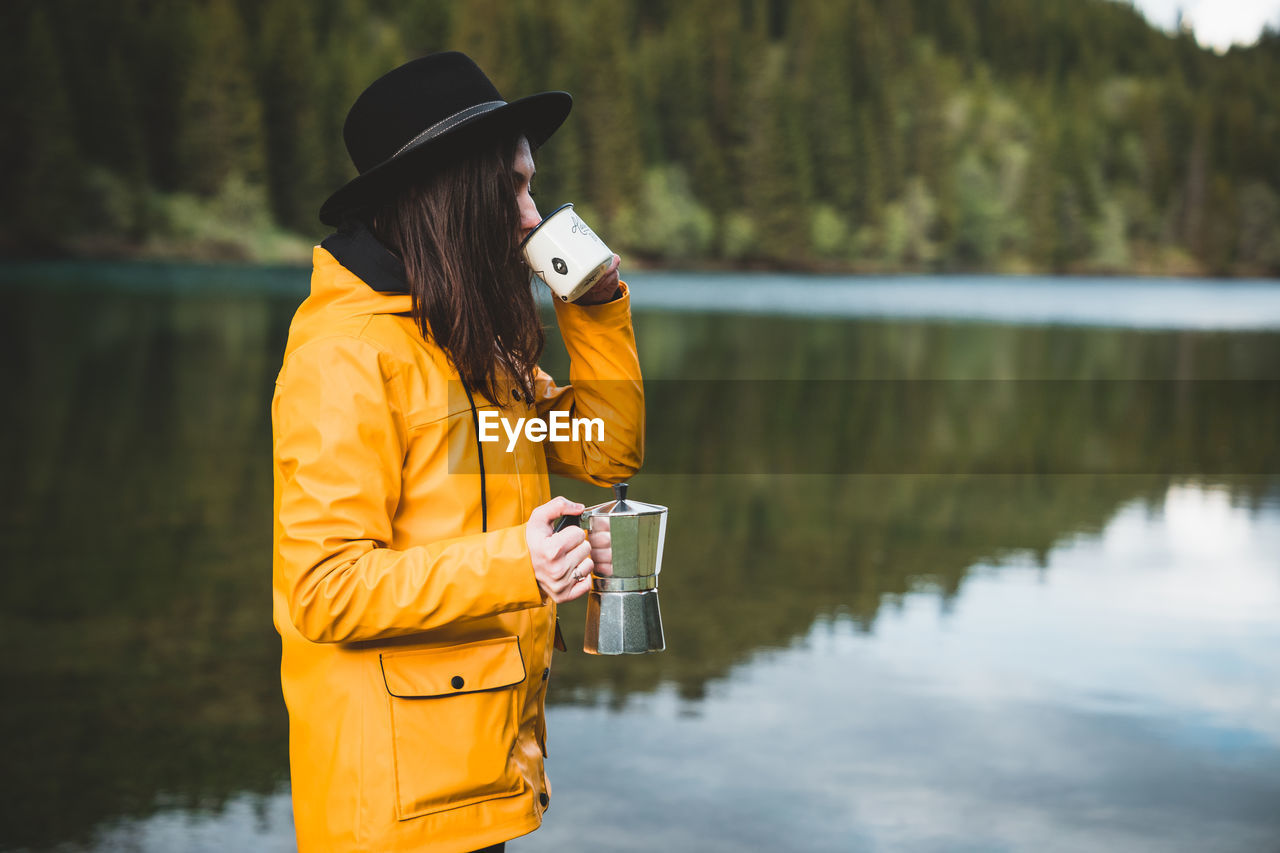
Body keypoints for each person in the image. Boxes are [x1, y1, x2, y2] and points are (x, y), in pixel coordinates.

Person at [271, 52, 644, 853]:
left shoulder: (472, 345)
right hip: (391, 817)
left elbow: (605, 449)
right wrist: (521, 563)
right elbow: (323, 590)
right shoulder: (347, 356)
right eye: (513, 187)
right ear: (453, 193)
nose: (529, 216)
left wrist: (597, 308)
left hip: (475, 787)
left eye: (529, 187)